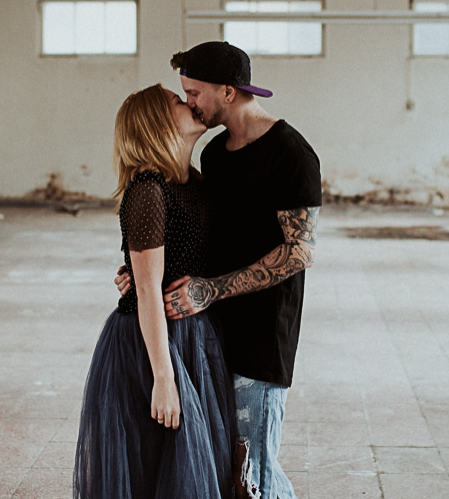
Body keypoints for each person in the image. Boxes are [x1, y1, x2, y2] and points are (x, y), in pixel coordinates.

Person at [118, 41, 321, 499]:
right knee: (225, 471)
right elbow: (203, 234)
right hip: (209, 340)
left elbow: (300, 252)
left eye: (193, 92)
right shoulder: (214, 155)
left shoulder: (291, 153)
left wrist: (211, 290)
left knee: (255, 478)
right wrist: (145, 272)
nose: (189, 101)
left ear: (228, 92)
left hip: (262, 340)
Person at [74, 84, 236, 499]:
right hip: (151, 345)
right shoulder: (148, 190)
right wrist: (163, 378)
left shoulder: (195, 183)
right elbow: (146, 293)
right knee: (155, 465)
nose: (189, 104)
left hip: (190, 336)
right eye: (177, 101)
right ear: (157, 123)